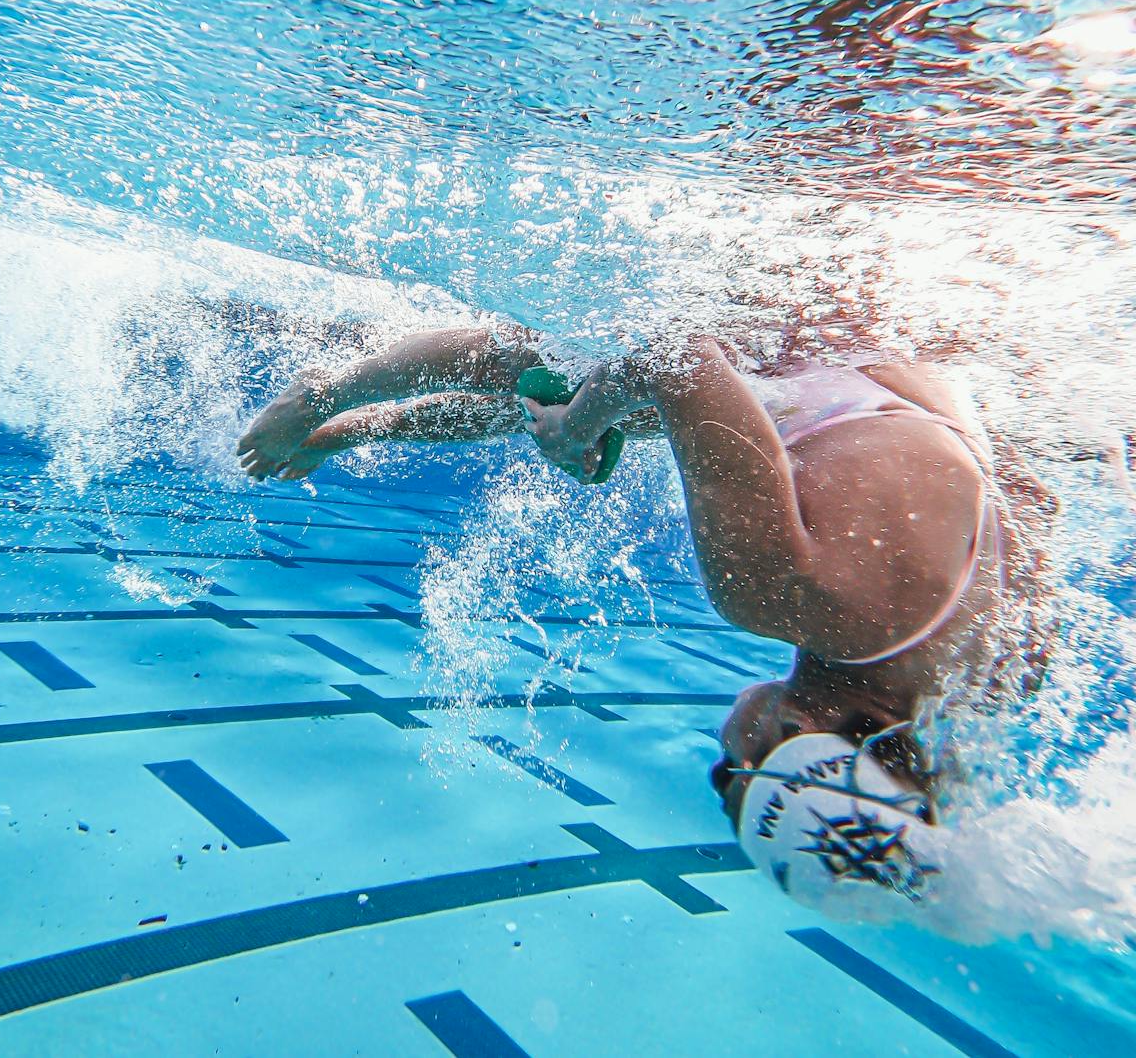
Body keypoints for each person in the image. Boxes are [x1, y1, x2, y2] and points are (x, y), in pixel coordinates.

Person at [237, 325, 1040, 919]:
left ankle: (340, 430)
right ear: (785, 745)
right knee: (538, 373)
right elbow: (677, 355)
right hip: (816, 320)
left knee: (623, 410)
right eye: (728, 777)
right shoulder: (777, 595)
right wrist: (576, 428)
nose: (722, 753)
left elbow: (1035, 499)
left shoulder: (987, 671)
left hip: (896, 361)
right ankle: (328, 391)